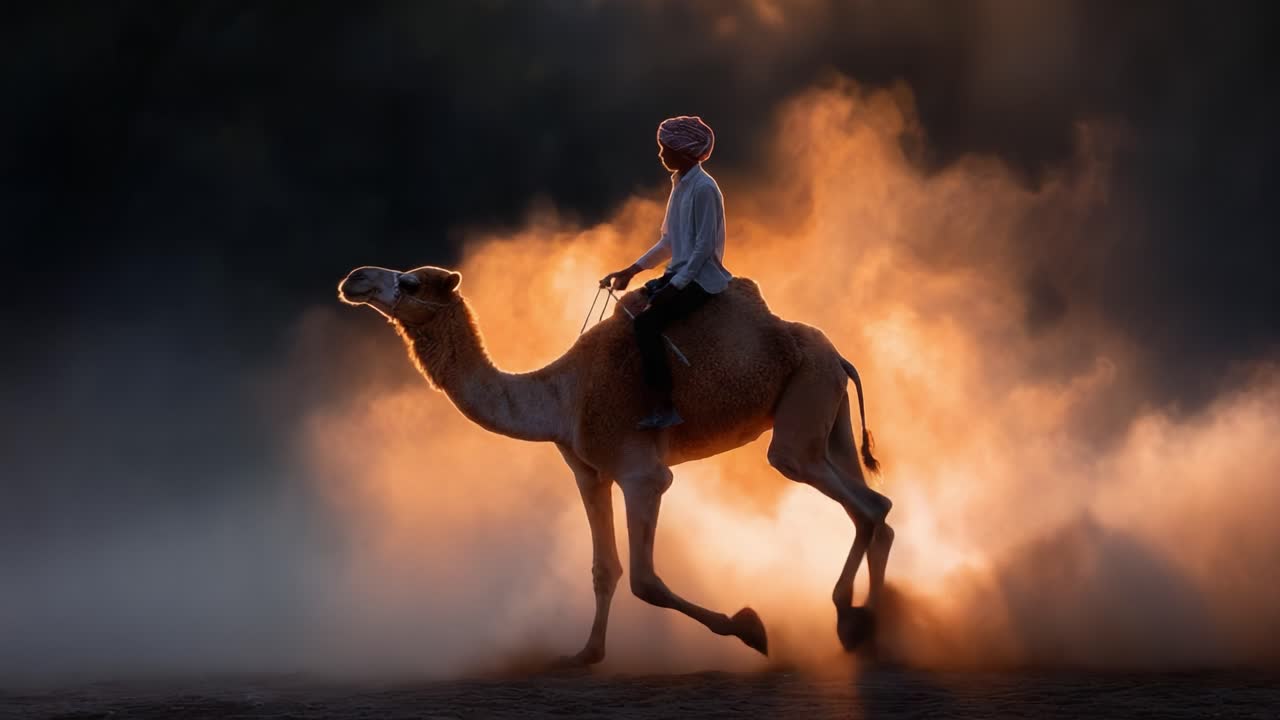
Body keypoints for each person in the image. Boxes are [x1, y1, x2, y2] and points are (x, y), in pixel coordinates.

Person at [601, 115, 733, 430]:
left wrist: (675, 286)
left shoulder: (704, 189)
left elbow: (702, 250)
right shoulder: (679, 186)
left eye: (666, 149)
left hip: (701, 278)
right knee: (629, 309)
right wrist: (632, 270)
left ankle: (664, 405)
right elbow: (669, 241)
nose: (661, 154)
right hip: (680, 272)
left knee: (647, 323)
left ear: (684, 153)